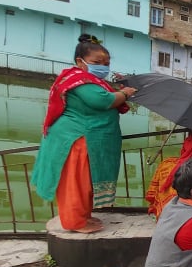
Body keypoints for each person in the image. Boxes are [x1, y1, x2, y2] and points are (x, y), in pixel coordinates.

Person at [31, 34, 136, 233]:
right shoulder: (79, 81)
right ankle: (74, 222)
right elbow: (103, 101)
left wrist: (119, 92)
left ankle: (83, 216)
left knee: (86, 182)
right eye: (98, 62)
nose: (103, 67)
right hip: (78, 139)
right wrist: (125, 93)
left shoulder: (90, 80)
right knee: (76, 183)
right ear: (81, 62)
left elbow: (105, 97)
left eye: (106, 63)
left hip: (88, 139)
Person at [145, 135, 192, 219]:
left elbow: (155, 190)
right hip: (185, 216)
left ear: (183, 149)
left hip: (163, 211)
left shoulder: (166, 163)